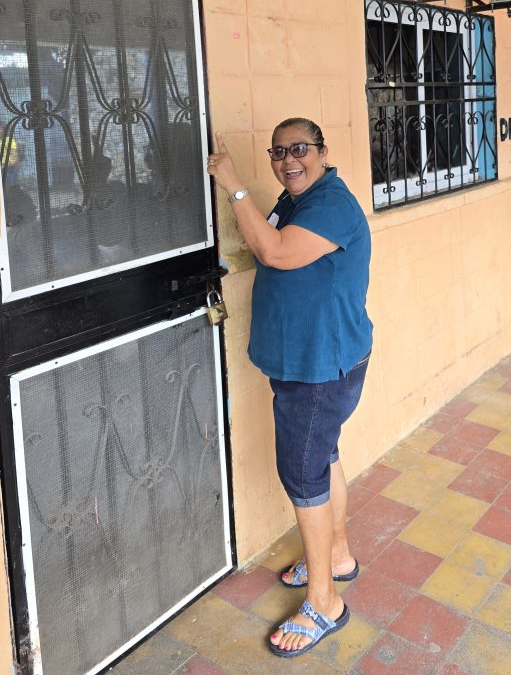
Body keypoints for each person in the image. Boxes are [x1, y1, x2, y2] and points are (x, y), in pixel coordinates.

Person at [207, 118, 373, 658]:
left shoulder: (332, 204)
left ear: (323, 151)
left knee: (303, 474)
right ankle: (337, 555)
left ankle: (324, 601)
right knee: (322, 457)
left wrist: (234, 184)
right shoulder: (295, 200)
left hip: (319, 367)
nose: (288, 160)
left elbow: (276, 252)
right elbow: (270, 245)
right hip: (310, 361)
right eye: (278, 152)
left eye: (299, 148)